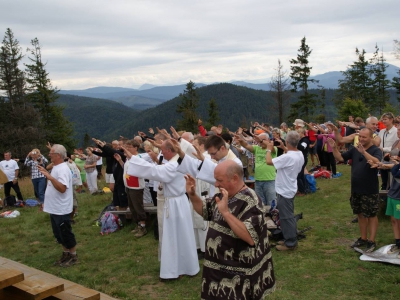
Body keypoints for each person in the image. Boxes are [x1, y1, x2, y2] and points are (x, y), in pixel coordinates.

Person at [185, 160, 275, 299]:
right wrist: (192, 194)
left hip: (238, 272)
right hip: (217, 269)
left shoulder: (251, 201)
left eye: (219, 180)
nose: (215, 184)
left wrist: (226, 213)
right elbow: (204, 210)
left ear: (234, 178)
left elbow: (250, 237)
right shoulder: (224, 194)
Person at [126, 138, 199, 280]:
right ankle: (184, 266)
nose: (161, 153)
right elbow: (157, 169)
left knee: (173, 236)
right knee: (181, 235)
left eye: (163, 150)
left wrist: (133, 159)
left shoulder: (174, 165)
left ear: (170, 151)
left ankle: (173, 270)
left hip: (175, 204)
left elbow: (155, 171)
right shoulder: (177, 161)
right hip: (179, 202)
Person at [328, 128, 382, 252]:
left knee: (372, 215)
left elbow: (377, 162)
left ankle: (372, 241)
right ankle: (363, 238)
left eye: (364, 137)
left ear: (370, 138)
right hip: (356, 188)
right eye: (360, 137)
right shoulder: (355, 149)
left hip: (370, 189)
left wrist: (364, 152)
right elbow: (341, 158)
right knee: (360, 214)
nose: (361, 139)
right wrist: (334, 148)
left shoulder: (375, 150)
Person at [38, 144, 78, 267]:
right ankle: (65, 253)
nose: (49, 155)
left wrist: (49, 176)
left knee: (66, 232)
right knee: (58, 233)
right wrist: (46, 202)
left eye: (51, 153)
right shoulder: (56, 167)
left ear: (58, 155)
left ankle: (73, 256)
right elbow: (52, 187)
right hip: (54, 207)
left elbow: (62, 188)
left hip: (61, 208)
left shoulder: (63, 169)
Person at [266, 131, 304, 251]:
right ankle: (289, 238)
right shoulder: (299, 154)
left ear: (287, 141)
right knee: (287, 216)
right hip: (290, 188)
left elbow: (269, 161)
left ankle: (291, 243)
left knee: (286, 217)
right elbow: (290, 156)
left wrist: (268, 149)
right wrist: (284, 148)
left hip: (284, 190)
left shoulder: (287, 157)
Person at [235, 132, 277, 206]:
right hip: (258, 180)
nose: (261, 142)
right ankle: (264, 217)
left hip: (269, 180)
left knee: (272, 202)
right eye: (260, 140)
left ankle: (273, 216)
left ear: (268, 140)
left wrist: (260, 140)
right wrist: (240, 140)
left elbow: (271, 147)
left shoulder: (273, 149)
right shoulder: (256, 148)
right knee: (260, 203)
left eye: (263, 139)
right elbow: (247, 145)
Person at [378, 112, 397, 190]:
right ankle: (384, 194)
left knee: (392, 179)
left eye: (385, 119)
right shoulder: (382, 131)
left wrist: (383, 149)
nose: (383, 121)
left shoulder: (396, 131)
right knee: (384, 178)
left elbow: (395, 146)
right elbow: (379, 142)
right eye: (383, 119)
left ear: (391, 120)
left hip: (392, 158)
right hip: (382, 158)